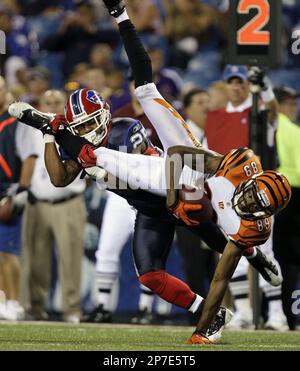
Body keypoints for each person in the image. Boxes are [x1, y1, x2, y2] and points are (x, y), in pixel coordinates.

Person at [9, 0, 282, 342]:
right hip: (149, 208)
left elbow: (141, 169)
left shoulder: (125, 130)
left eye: (92, 121)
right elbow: (60, 178)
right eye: (82, 126)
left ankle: (255, 255)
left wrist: (121, 18)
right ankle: (206, 312)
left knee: (209, 226)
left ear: (105, 115)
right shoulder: (83, 146)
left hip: (172, 185)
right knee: (150, 275)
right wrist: (51, 137)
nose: (90, 128)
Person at [21, 90, 86, 323]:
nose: (51, 106)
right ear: (39, 104)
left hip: (68, 202)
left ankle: (71, 309)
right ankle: (34, 307)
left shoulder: (76, 128)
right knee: (35, 259)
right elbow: (26, 159)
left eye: (57, 102)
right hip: (36, 203)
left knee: (71, 258)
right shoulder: (29, 129)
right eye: (47, 102)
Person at [0, 75, 37, 320]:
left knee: (8, 251)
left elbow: (30, 157)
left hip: (8, 191)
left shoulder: (16, 120)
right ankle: (3, 299)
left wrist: (22, 191)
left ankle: (14, 301)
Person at [274, 85, 300, 330]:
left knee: (272, 260)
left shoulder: (261, 126)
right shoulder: (292, 131)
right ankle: (289, 317)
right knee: (291, 263)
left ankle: (272, 314)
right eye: (290, 102)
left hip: (267, 197)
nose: (294, 107)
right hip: (293, 198)